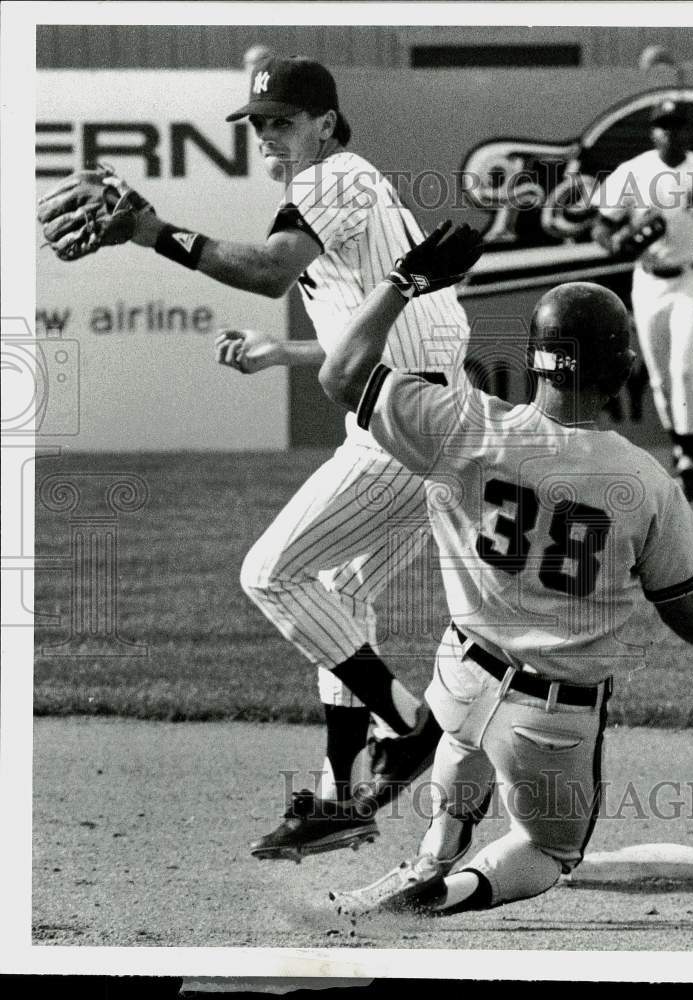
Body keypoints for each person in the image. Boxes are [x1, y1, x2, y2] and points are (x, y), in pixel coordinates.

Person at [37, 52, 477, 860]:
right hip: (424, 414)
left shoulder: (333, 179)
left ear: (325, 124)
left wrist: (149, 230)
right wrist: (284, 356)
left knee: (271, 573)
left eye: (280, 122)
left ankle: (412, 728)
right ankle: (344, 802)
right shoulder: (350, 192)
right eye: (257, 124)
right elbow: (396, 327)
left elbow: (270, 270)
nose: (266, 137)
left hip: (403, 429)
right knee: (338, 597)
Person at [316, 225, 693, 915]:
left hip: (460, 676)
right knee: (548, 851)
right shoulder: (646, 482)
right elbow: (685, 611)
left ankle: (428, 857)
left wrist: (402, 283)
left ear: (537, 361)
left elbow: (339, 373)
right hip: (550, 719)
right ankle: (435, 895)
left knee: (465, 744)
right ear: (622, 367)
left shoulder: (462, 423)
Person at [592, 99, 693, 502]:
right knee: (658, 375)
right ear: (653, 132)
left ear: (686, 132)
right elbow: (602, 226)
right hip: (649, 280)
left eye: (676, 125)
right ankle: (680, 449)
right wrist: (618, 242)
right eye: (663, 125)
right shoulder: (634, 172)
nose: (670, 132)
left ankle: (690, 457)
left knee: (684, 367)